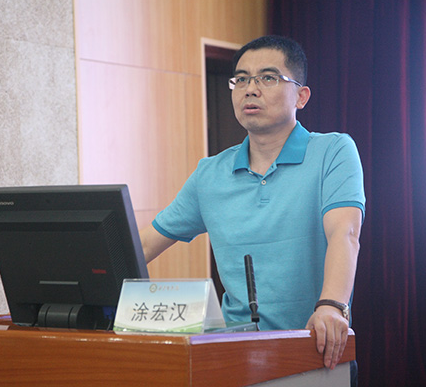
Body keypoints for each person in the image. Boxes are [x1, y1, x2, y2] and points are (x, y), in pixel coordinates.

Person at [140, 35, 365, 373]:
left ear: (301, 96)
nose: (250, 89)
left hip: (313, 347)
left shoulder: (333, 151)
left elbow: (344, 233)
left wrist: (331, 306)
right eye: (242, 79)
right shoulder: (209, 174)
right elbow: (145, 243)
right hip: (235, 354)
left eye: (268, 78)